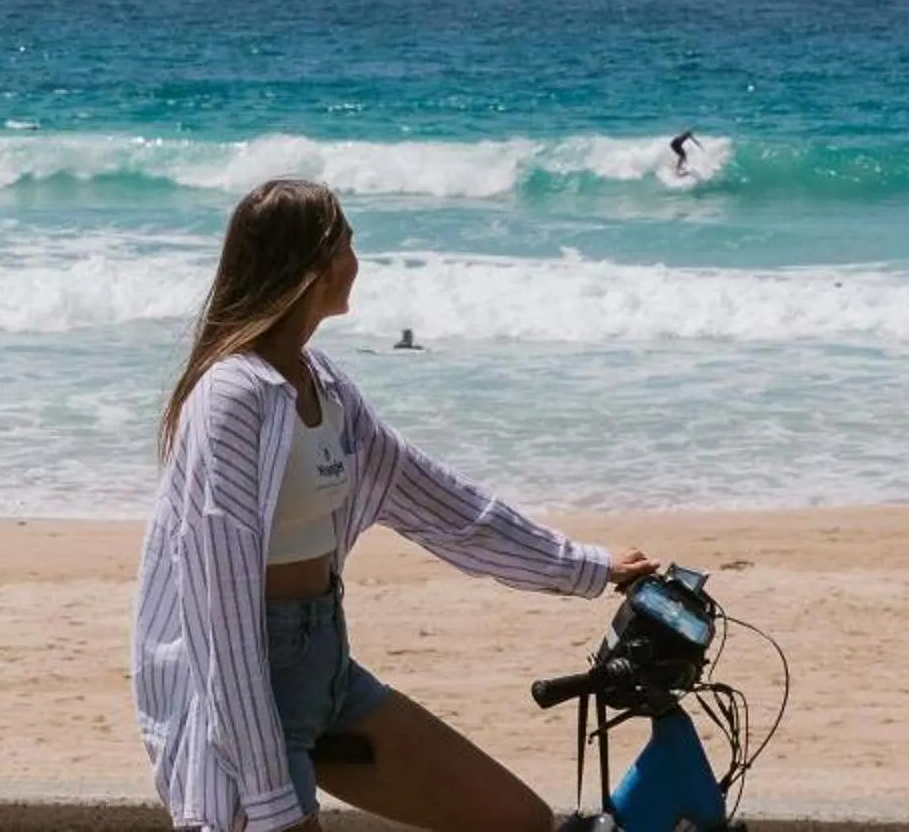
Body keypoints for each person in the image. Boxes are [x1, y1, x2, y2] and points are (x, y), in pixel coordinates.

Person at [133, 179, 658, 832]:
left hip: (325, 667)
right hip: (249, 693)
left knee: (517, 820)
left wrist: (588, 566)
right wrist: (268, 796)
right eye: (348, 241)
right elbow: (220, 608)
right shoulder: (232, 398)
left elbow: (440, 503)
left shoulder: (322, 382)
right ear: (313, 265)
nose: (358, 257)